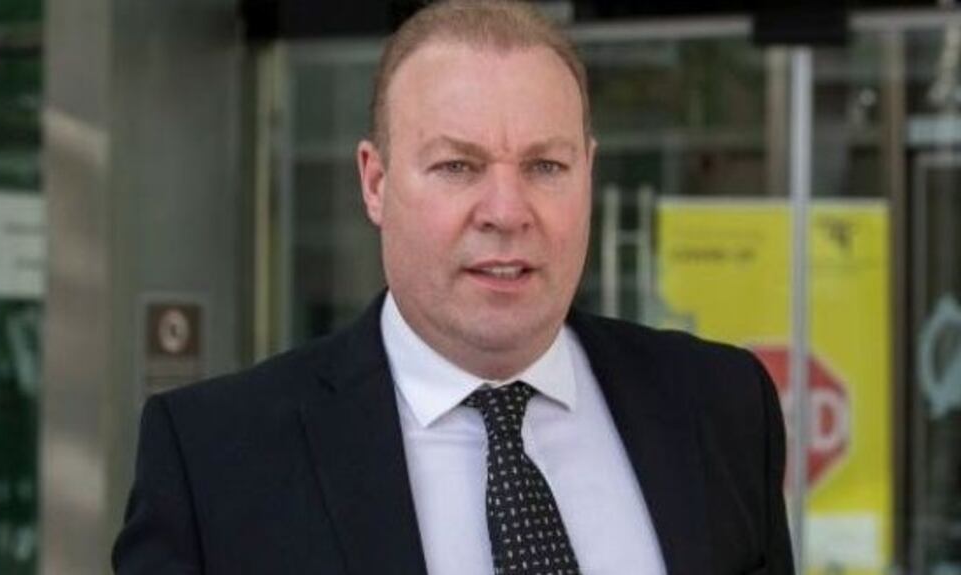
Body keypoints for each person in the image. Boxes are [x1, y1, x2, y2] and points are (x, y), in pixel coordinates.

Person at [112, 1, 794, 574]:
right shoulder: (215, 463)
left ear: (588, 173)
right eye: (458, 166)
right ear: (375, 182)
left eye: (546, 166)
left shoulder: (720, 407)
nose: (506, 211)